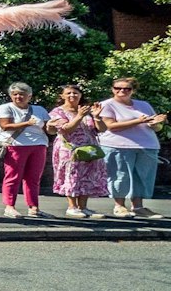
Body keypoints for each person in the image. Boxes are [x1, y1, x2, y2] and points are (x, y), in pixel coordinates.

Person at [98, 79, 165, 218]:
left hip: (147, 145)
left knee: (142, 177)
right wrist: (138, 121)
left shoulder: (143, 105)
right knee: (120, 176)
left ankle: (138, 207)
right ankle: (119, 206)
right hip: (118, 145)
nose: (122, 91)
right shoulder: (107, 105)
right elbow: (111, 126)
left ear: (132, 90)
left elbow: (155, 127)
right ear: (112, 89)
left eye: (127, 89)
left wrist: (157, 124)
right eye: (118, 88)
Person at [46, 84, 108, 218]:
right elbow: (66, 129)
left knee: (87, 176)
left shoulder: (87, 110)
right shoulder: (57, 112)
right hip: (70, 149)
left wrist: (97, 117)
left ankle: (83, 207)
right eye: (68, 93)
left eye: (75, 93)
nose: (72, 95)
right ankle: (72, 207)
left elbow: (101, 129)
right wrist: (79, 116)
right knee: (72, 176)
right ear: (62, 96)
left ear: (80, 95)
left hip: (90, 149)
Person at [0, 82, 51, 219]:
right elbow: (5, 126)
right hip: (16, 145)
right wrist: (28, 123)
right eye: (15, 94)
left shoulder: (40, 109)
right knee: (13, 176)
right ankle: (9, 206)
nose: (18, 97)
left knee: (34, 178)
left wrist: (54, 126)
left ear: (29, 96)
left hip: (39, 145)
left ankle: (33, 207)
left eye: (22, 94)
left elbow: (48, 128)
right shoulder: (5, 108)